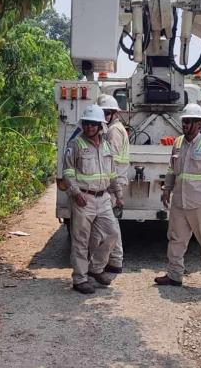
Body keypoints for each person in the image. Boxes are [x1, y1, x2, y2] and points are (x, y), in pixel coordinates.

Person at [155, 103, 201, 292]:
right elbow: (171, 169)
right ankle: (174, 275)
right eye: (184, 121)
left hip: (200, 204)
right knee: (176, 239)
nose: (185, 125)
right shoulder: (177, 143)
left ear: (199, 124)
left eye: (189, 122)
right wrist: (167, 189)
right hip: (179, 202)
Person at [61, 104, 123, 294]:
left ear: (100, 126)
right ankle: (80, 279)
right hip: (83, 199)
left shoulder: (106, 145)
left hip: (104, 198)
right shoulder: (75, 145)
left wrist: (118, 195)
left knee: (111, 234)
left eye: (93, 124)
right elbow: (67, 172)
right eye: (87, 124)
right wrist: (75, 193)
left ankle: (96, 269)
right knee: (81, 240)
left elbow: (112, 173)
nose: (89, 127)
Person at [95, 94, 129, 274]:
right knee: (111, 223)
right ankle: (115, 260)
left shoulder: (114, 130)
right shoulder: (113, 128)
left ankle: (115, 260)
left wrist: (110, 185)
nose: (103, 117)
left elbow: (111, 160)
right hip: (114, 180)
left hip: (113, 181)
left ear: (113, 113)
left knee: (110, 225)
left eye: (106, 113)